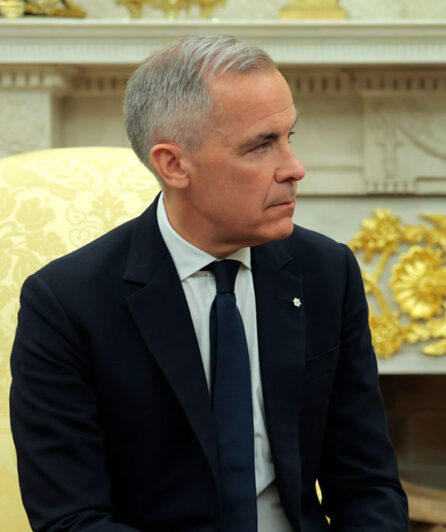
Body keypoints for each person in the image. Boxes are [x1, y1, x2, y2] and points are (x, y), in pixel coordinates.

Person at [10, 35, 408, 531]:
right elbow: (72, 519)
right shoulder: (68, 303)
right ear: (173, 165)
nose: (294, 168)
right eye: (261, 145)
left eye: (289, 136)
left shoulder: (326, 271)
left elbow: (367, 484)